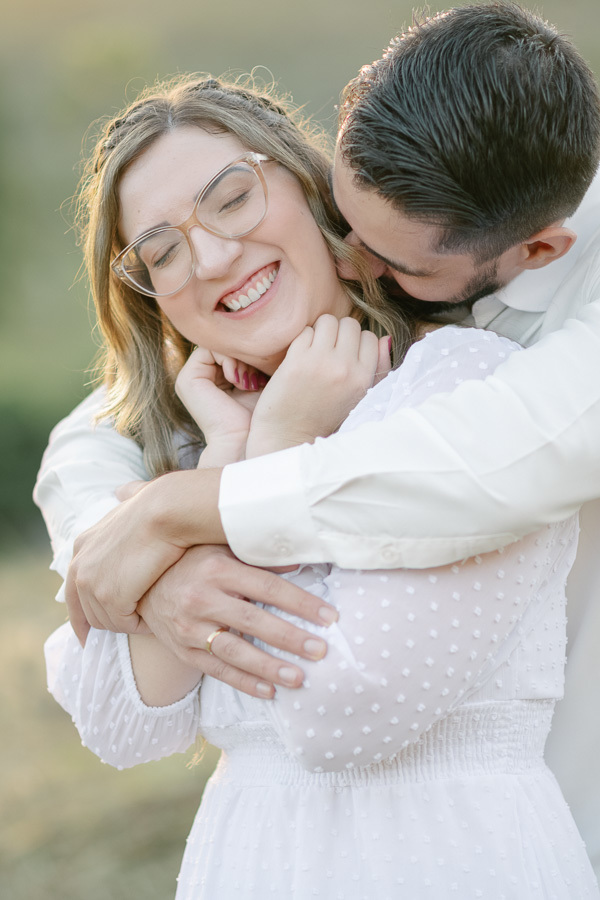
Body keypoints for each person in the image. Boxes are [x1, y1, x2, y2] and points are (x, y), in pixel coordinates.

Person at [35, 0, 600, 877]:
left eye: (231, 197)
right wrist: (215, 465)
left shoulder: (459, 383)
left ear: (305, 187)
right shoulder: (197, 426)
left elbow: (340, 715)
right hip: (251, 863)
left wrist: (242, 479)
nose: (213, 257)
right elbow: (117, 723)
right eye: (161, 252)